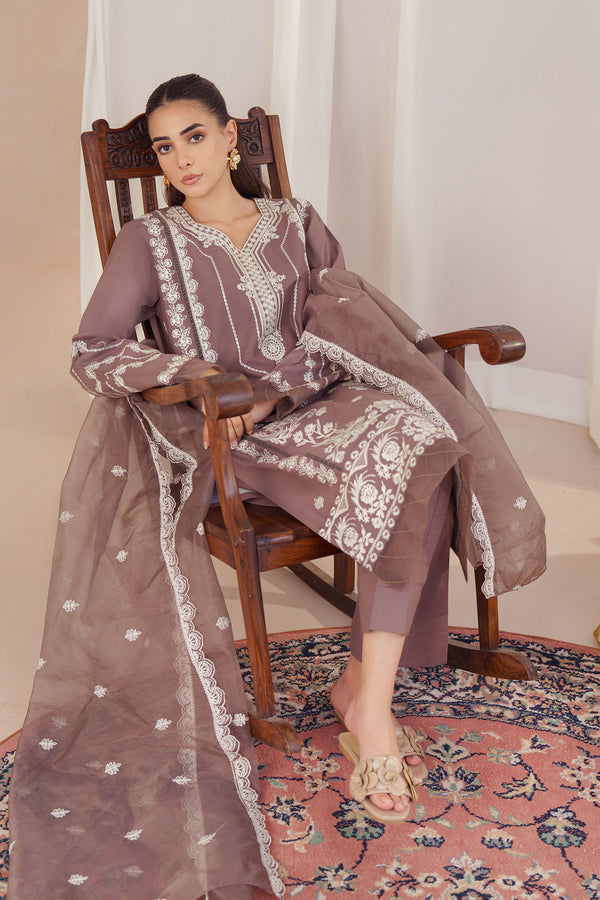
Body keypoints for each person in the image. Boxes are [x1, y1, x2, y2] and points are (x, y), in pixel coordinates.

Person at [7, 74, 546, 899]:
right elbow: (94, 350)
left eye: (194, 137)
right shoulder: (150, 240)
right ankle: (370, 716)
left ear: (231, 138)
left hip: (320, 402)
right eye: (164, 147)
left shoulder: (297, 223)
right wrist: (198, 377)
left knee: (425, 441)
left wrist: (300, 384)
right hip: (234, 432)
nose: (181, 159)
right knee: (405, 467)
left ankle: (363, 690)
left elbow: (344, 326)